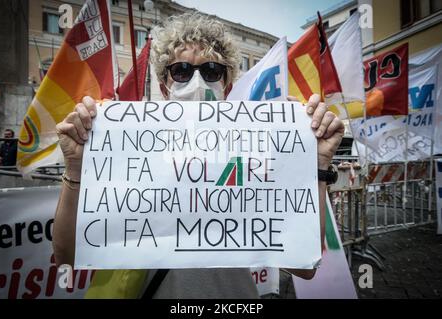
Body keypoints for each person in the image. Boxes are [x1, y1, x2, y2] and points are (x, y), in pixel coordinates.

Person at [53, 12, 344, 298]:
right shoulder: (127, 145)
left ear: (226, 86)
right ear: (165, 86)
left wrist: (317, 167)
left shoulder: (254, 150)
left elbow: (303, 267)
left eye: (211, 71)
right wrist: (76, 168)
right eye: (181, 70)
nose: (196, 81)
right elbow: (67, 255)